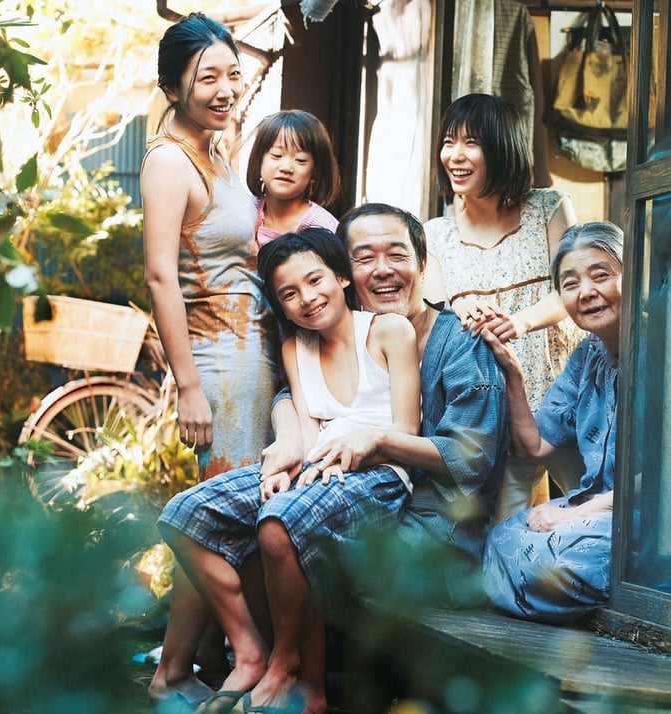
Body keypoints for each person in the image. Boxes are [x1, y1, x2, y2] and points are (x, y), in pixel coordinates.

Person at [157, 204, 510, 713]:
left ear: (424, 262)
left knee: (281, 529)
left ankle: (290, 674)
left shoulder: (459, 341)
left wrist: (375, 442)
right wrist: (289, 439)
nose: (382, 269)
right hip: (338, 480)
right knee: (227, 514)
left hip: (431, 527)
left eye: (397, 254)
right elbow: (300, 399)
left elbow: (468, 461)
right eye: (365, 257)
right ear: (349, 271)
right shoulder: (323, 337)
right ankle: (253, 662)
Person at [141, 13, 278, 702]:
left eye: (232, 73)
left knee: (222, 517)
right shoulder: (170, 160)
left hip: (251, 357)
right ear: (174, 85)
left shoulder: (220, 152)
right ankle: (223, 658)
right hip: (216, 364)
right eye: (207, 77)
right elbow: (162, 275)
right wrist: (187, 384)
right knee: (219, 518)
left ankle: (174, 669)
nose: (225, 89)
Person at [423, 92, 583, 521]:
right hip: (492, 402)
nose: (454, 155)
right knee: (505, 525)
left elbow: (572, 289)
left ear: (502, 147)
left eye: (471, 142)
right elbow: (438, 315)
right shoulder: (434, 235)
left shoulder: (549, 208)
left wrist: (519, 321)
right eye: (448, 141)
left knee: (596, 501)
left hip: (562, 392)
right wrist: (465, 311)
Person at [481, 221, 623, 624]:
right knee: (499, 539)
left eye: (601, 276)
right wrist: (513, 375)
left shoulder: (659, 349)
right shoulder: (588, 356)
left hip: (642, 523)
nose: (587, 293)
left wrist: (573, 516)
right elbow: (534, 445)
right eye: (570, 283)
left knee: (554, 563)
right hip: (595, 510)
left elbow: (654, 490)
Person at [246, 109, 341, 247]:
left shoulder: (322, 226)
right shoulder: (245, 210)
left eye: (300, 160)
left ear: (314, 174)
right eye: (277, 155)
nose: (286, 168)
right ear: (259, 162)